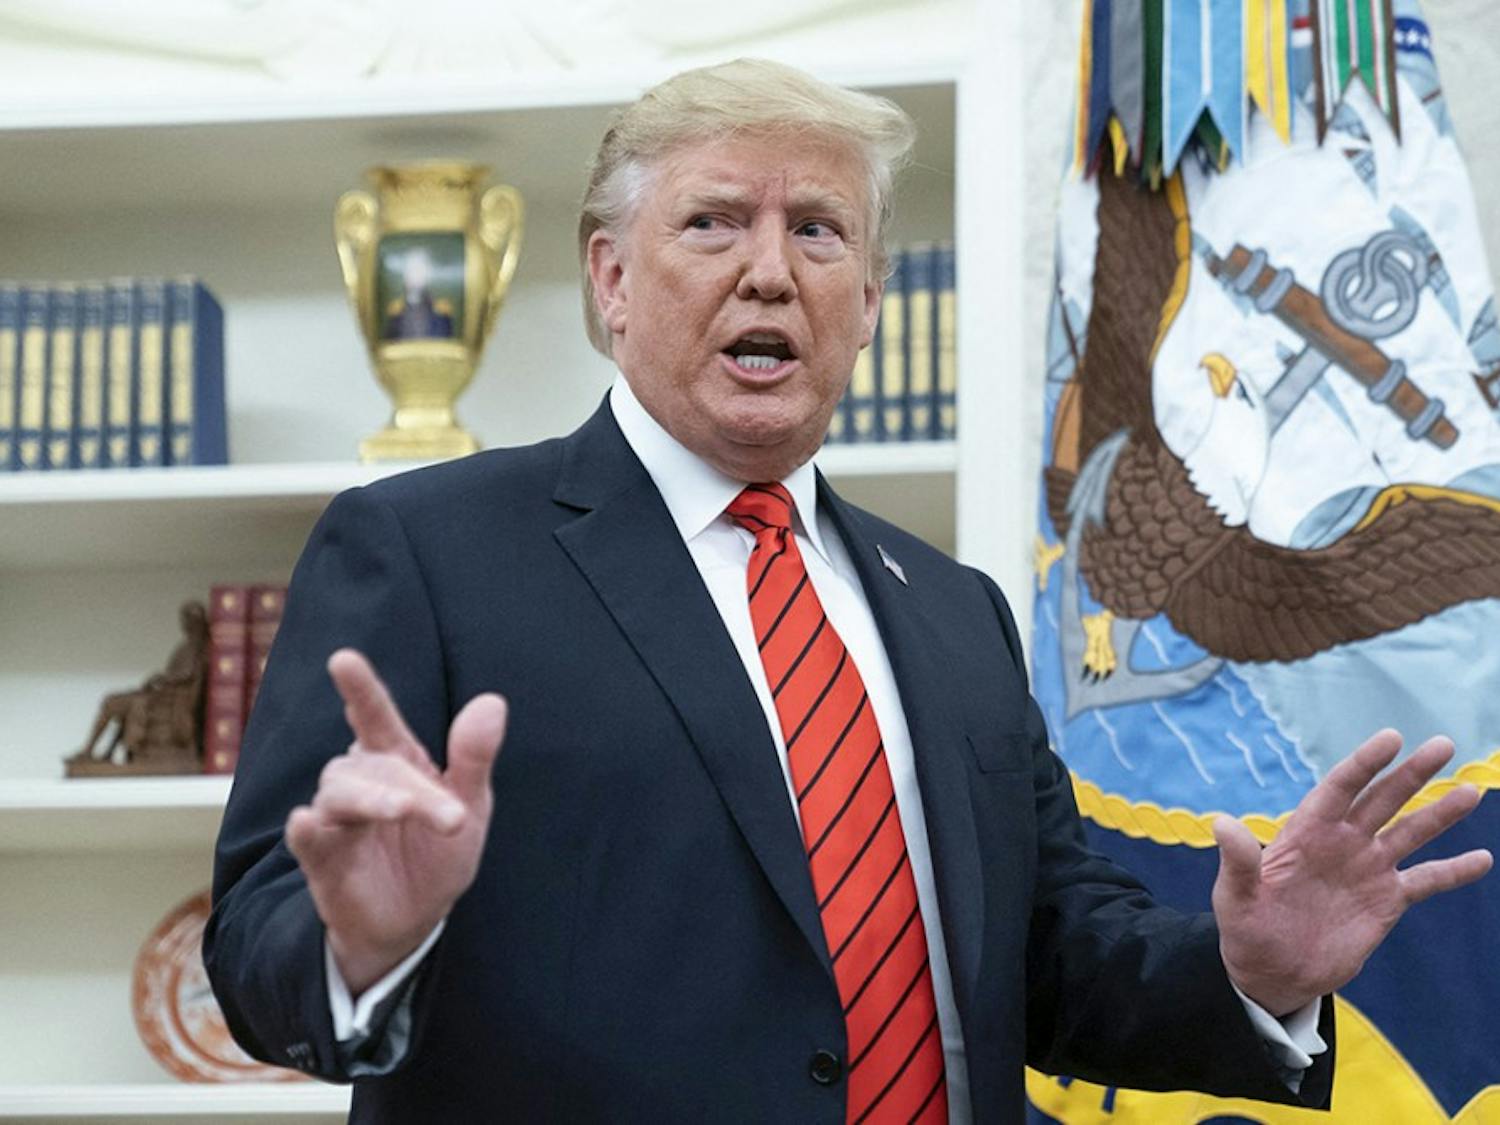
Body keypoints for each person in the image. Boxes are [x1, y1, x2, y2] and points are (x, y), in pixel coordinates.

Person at [204, 59, 1492, 1123]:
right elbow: (261, 934)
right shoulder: (425, 550)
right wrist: (354, 943)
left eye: (817, 232)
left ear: (869, 303)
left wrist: (1249, 977)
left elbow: (1047, 956)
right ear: (609, 278)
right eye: (714, 222)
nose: (771, 272)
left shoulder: (951, 610)